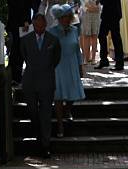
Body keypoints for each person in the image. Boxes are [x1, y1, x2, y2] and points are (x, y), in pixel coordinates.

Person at [20, 13, 62, 158]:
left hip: (47, 81)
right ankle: (38, 138)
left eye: (41, 26)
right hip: (30, 82)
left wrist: (46, 71)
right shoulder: (25, 40)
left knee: (45, 114)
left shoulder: (53, 40)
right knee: (33, 112)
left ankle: (45, 145)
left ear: (45, 25)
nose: (39, 28)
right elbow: (24, 56)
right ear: (33, 25)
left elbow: (56, 59)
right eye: (36, 26)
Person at [49, 4, 86, 138]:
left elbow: (77, 50)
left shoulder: (75, 30)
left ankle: (67, 110)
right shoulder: (52, 31)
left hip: (72, 64)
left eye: (68, 17)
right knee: (58, 96)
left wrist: (80, 66)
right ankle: (60, 125)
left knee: (74, 93)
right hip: (58, 66)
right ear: (59, 18)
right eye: (63, 17)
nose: (66, 19)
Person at [8, 0, 35, 84]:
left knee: (16, 51)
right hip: (20, 24)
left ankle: (15, 75)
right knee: (19, 51)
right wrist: (26, 20)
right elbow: (24, 7)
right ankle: (16, 76)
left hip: (15, 23)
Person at [95, 0, 124, 70]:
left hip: (113, 12)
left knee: (115, 38)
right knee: (102, 35)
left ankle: (119, 63)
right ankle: (104, 60)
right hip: (108, 13)